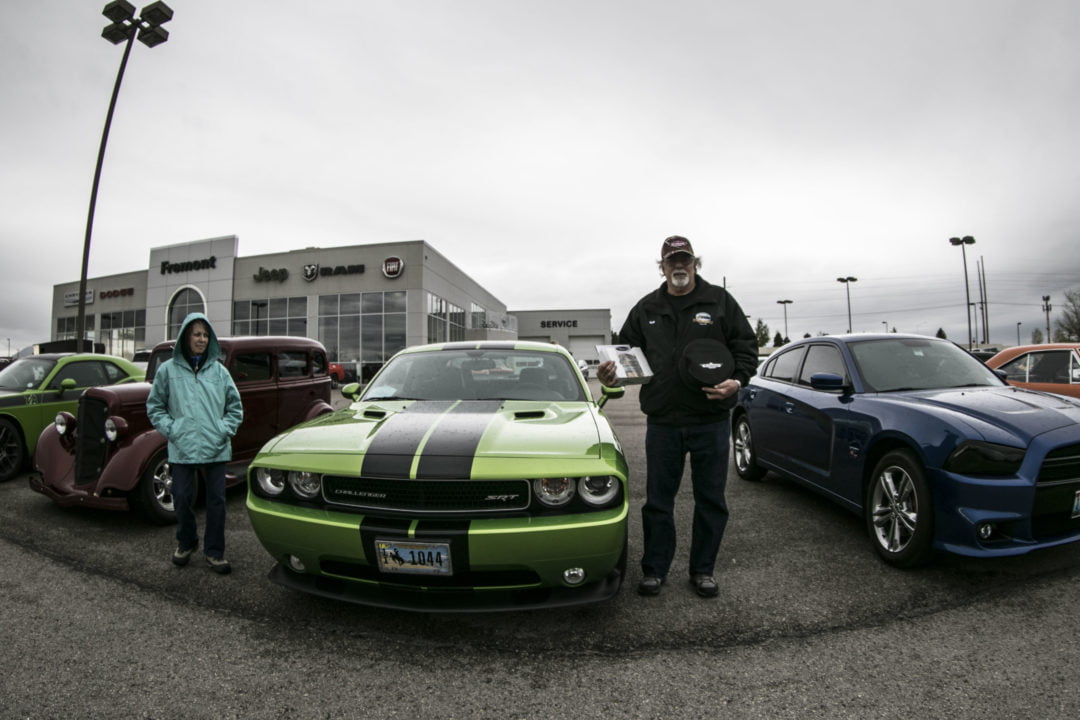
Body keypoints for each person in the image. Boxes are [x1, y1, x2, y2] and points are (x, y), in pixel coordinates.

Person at [597, 236, 758, 598]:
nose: (679, 266)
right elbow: (625, 354)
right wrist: (611, 374)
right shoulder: (647, 307)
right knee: (657, 501)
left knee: (711, 500)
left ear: (695, 264)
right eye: (672, 261)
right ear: (662, 266)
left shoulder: (719, 302)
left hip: (710, 420)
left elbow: (746, 349)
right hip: (664, 421)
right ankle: (654, 570)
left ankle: (703, 571)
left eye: (685, 260)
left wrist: (737, 381)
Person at [147, 312, 243, 574]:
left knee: (216, 503)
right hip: (182, 447)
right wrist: (173, 429)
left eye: (205, 335)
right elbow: (155, 407)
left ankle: (215, 552)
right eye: (196, 334)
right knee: (181, 497)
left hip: (216, 447)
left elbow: (235, 408)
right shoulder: (167, 371)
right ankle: (186, 542)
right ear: (185, 337)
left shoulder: (220, 372)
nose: (201, 339)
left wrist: (223, 430)